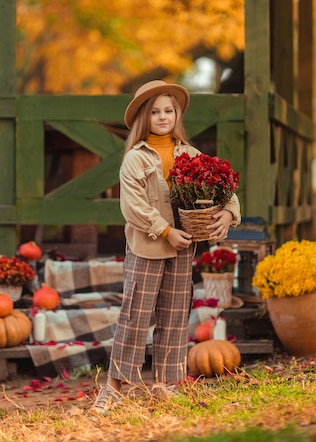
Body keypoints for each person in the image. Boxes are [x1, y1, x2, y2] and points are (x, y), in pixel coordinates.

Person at [91, 80, 241, 415]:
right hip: (147, 247)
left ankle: (163, 384)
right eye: (156, 112)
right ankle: (113, 388)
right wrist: (165, 230)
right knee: (135, 316)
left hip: (183, 249)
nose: (163, 117)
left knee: (175, 316)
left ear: (177, 115)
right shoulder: (134, 158)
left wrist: (229, 212)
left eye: (168, 111)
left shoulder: (189, 154)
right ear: (145, 117)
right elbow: (132, 207)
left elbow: (224, 187)